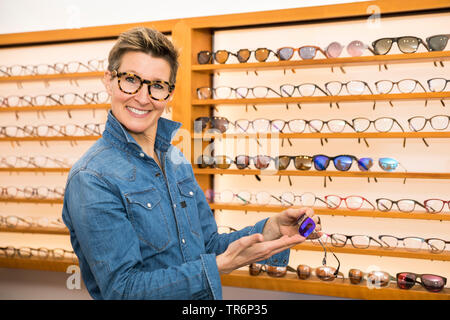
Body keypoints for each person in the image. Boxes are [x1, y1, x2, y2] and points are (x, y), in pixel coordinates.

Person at [62, 27, 321, 300]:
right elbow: (124, 290)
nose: (142, 96)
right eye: (131, 80)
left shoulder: (176, 160)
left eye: (157, 86)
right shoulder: (91, 177)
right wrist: (219, 266)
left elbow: (206, 247)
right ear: (109, 80)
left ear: (169, 94)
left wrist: (270, 230)